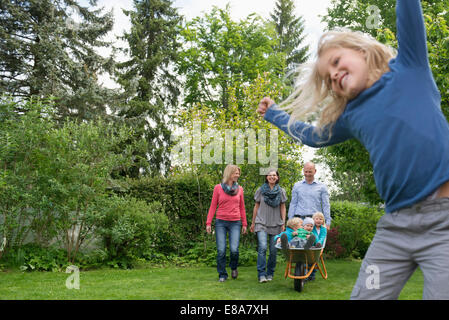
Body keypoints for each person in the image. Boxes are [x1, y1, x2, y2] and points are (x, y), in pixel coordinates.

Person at [257, 0, 449, 300]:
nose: (333, 75)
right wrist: (275, 114)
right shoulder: (350, 116)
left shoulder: (410, 66)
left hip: (444, 222)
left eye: (335, 62)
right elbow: (312, 136)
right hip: (395, 228)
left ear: (361, 50)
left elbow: (408, 10)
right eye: (328, 79)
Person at [206, 164, 247, 282]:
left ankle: (234, 268)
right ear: (229, 173)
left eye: (238, 173)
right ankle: (222, 274)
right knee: (221, 250)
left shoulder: (240, 189)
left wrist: (244, 223)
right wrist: (208, 223)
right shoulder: (218, 188)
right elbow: (213, 206)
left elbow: (242, 207)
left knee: (234, 249)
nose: (238, 175)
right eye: (236, 173)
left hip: (235, 222)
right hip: (221, 222)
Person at [250, 169, 287, 283]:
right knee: (262, 247)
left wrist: (283, 222)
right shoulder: (260, 190)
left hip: (276, 224)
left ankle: (270, 273)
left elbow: (282, 207)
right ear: (266, 177)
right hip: (261, 222)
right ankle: (261, 274)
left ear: (277, 177)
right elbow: (256, 206)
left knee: (273, 250)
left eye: (274, 175)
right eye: (269, 175)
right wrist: (253, 222)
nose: (272, 177)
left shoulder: (281, 191)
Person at [289, 162, 331, 228]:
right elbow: (293, 203)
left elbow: (326, 205)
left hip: (316, 221)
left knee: (315, 238)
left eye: (310, 172)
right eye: (306, 171)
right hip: (300, 221)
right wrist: (290, 220)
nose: (308, 174)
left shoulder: (322, 187)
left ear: (315, 171)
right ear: (303, 171)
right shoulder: (297, 186)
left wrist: (328, 221)